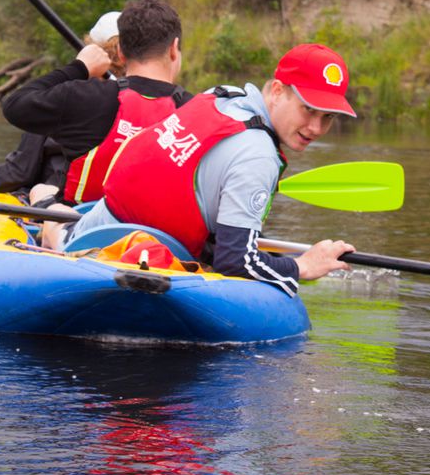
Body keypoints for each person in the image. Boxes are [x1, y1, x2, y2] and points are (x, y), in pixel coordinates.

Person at [47, 43, 358, 295]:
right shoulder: (259, 156)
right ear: (277, 91)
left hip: (90, 235)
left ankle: (48, 215)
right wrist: (301, 266)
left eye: (327, 117)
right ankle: (47, 214)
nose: (316, 127)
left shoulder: (220, 95)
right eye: (309, 109)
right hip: (126, 259)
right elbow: (235, 261)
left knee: (51, 209)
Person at [0, 0, 192, 209]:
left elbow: (16, 115)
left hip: (79, 220)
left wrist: (78, 69)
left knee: (41, 191)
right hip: (154, 228)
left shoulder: (76, 97)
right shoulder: (194, 111)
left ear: (121, 53)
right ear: (174, 49)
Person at [0, 10, 124, 198]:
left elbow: (20, 171)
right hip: (116, 205)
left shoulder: (67, 96)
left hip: (59, 199)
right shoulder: (147, 100)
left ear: (90, 52)